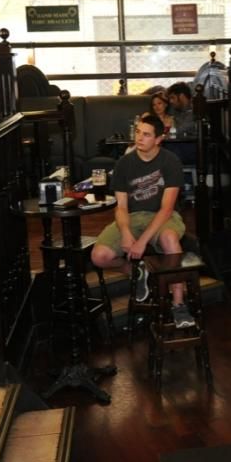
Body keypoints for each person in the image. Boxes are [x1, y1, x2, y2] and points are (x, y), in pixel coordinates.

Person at [90, 114, 195, 328]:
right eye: (138, 132)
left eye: (146, 134)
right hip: (132, 217)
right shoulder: (124, 163)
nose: (139, 137)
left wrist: (141, 242)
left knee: (170, 240)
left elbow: (166, 209)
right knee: (99, 256)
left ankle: (178, 305)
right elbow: (120, 207)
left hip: (163, 216)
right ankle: (136, 271)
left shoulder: (170, 161)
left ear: (158, 139)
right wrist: (127, 233)